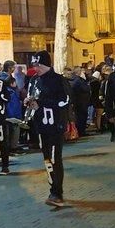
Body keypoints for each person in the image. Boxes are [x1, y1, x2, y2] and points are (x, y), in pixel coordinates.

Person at [27, 51, 70, 207]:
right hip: (41, 126)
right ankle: (53, 189)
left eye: (38, 65)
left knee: (54, 159)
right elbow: (33, 95)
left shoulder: (59, 80)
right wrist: (29, 101)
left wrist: (43, 103)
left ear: (46, 64)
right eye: (34, 65)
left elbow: (65, 101)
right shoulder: (34, 80)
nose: (35, 68)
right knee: (47, 159)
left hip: (55, 126)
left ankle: (57, 193)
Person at [70, 67, 91, 137]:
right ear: (78, 72)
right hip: (81, 102)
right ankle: (81, 132)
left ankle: (81, 131)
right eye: (81, 71)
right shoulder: (78, 80)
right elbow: (85, 89)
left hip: (80, 102)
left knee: (81, 117)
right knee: (81, 118)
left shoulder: (76, 80)